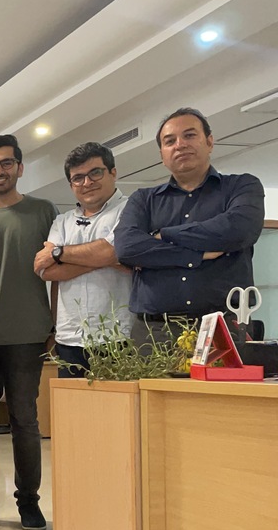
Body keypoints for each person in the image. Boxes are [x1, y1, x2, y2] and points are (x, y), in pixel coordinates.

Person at [0, 134, 57, 530]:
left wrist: (54, 323)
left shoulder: (43, 211)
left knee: (25, 421)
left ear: (20, 167)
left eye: (6, 163)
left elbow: (57, 271)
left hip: (28, 334)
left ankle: (29, 503)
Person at [114, 107, 265, 346]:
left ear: (210, 141)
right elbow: (127, 248)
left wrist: (163, 234)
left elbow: (238, 229)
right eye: (170, 141)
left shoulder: (242, 186)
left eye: (189, 135)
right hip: (154, 333)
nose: (180, 145)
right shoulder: (143, 199)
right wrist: (198, 254)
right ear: (162, 154)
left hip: (223, 328)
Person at [34, 142, 132, 376]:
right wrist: (101, 257)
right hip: (69, 337)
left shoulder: (131, 209)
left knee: (117, 401)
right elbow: (44, 270)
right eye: (78, 178)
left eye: (95, 173)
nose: (87, 183)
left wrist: (60, 253)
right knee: (70, 401)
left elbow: (112, 253)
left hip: (117, 335)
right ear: (71, 184)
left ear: (113, 172)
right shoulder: (63, 221)